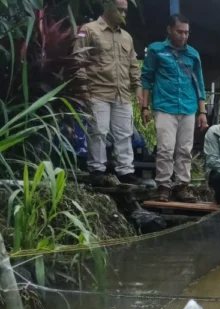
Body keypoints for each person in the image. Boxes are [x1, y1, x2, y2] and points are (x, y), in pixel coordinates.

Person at [74, 0, 143, 187]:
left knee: (124, 133)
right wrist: (83, 90)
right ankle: (97, 170)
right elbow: (78, 60)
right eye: (119, 10)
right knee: (98, 131)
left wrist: (137, 87)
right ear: (107, 7)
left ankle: (126, 172)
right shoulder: (89, 30)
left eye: (125, 11)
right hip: (97, 91)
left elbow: (133, 65)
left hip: (121, 94)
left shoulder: (126, 37)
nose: (123, 14)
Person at [141, 14, 208, 203]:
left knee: (185, 149)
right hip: (164, 106)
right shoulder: (156, 50)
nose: (183, 36)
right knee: (165, 148)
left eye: (186, 33)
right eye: (179, 32)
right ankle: (163, 186)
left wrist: (202, 112)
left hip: (188, 107)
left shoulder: (193, 54)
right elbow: (146, 78)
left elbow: (199, 85)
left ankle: (182, 186)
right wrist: (144, 107)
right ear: (169, 30)